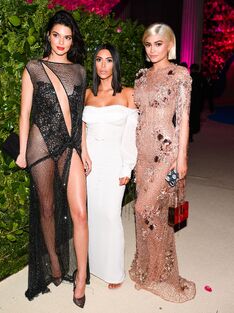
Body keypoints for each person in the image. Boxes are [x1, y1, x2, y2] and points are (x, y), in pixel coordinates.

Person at [16, 10, 88, 308]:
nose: (61, 42)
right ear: (49, 35)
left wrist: (84, 150)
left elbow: (81, 116)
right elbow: (24, 114)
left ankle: (81, 276)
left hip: (70, 146)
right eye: (57, 35)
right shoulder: (33, 68)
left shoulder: (81, 72)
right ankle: (55, 261)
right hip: (40, 144)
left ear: (73, 41)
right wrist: (22, 151)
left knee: (80, 213)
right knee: (46, 208)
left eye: (67, 37)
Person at [129, 23, 196, 302]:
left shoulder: (179, 75)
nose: (153, 49)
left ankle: (158, 272)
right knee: (147, 213)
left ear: (169, 44)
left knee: (146, 208)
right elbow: (136, 118)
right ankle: (147, 267)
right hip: (142, 154)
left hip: (166, 153)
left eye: (158, 43)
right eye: (148, 44)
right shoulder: (141, 78)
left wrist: (181, 159)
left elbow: (183, 119)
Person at [82, 44, 138, 289]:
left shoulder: (128, 93)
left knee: (110, 215)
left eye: (108, 60)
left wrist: (128, 167)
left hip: (115, 160)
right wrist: (82, 153)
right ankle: (94, 265)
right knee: (92, 214)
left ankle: (114, 272)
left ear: (115, 64)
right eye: (98, 60)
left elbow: (131, 134)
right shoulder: (87, 94)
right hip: (90, 162)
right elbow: (81, 128)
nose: (103, 65)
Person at [189, 63, 205, 142]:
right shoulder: (201, 77)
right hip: (197, 100)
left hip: (190, 101)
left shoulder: (189, 77)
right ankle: (193, 132)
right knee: (195, 117)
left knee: (189, 118)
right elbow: (204, 89)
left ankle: (190, 135)